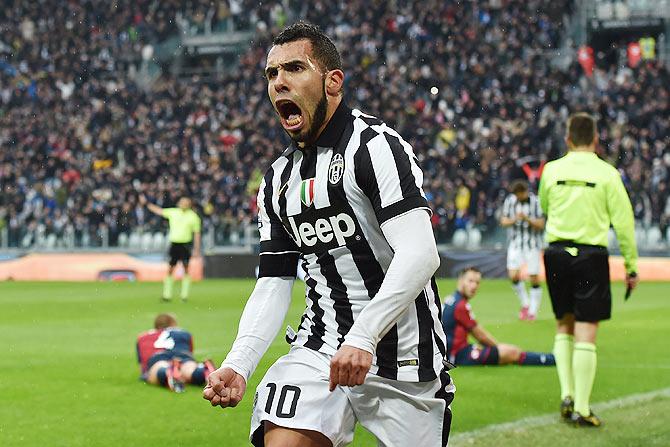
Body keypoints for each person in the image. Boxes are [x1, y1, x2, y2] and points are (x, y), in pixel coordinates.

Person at [203, 21, 454, 447]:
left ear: (333, 82)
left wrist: (364, 336)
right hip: (320, 347)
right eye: (271, 74)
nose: (279, 82)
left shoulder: (375, 148)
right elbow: (274, 281)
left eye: (294, 68)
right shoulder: (277, 180)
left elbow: (420, 254)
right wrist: (240, 362)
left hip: (405, 357)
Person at [539, 112, 639, 427]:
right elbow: (624, 223)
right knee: (586, 332)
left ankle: (566, 394)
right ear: (595, 139)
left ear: (567, 138)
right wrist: (631, 267)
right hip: (590, 255)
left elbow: (544, 206)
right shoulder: (608, 174)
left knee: (563, 325)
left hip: (555, 253)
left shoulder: (551, 170)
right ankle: (582, 408)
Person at [442, 267, 555, 366]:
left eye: (477, 282)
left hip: (452, 352)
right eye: (470, 281)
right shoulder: (460, 306)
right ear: (461, 281)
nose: (474, 286)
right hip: (457, 356)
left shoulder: (451, 299)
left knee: (507, 351)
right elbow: (480, 336)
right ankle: (552, 359)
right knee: (511, 353)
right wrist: (498, 348)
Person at [139, 194, 201, 301]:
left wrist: (196, 248)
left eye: (186, 202)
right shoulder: (173, 212)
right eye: (182, 202)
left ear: (189, 204)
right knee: (170, 269)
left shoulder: (193, 217)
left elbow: (197, 234)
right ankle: (167, 295)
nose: (183, 204)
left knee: (186, 269)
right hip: (175, 244)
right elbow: (158, 210)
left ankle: (184, 295)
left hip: (186, 244)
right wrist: (146, 203)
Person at [499, 179, 546, 320]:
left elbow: (541, 224)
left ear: (526, 192)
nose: (519, 197)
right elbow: (503, 221)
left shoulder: (536, 202)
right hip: (515, 243)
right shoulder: (510, 201)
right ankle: (525, 304)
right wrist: (515, 219)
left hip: (532, 244)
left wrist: (527, 219)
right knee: (513, 275)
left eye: (521, 194)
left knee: (533, 276)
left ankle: (532, 311)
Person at [136, 313, 215, 393]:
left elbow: (143, 366)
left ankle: (167, 372)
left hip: (158, 356)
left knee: (159, 368)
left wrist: (147, 375)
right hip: (182, 354)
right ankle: (203, 370)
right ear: (173, 324)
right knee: (189, 368)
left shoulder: (143, 336)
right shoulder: (183, 333)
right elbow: (190, 353)